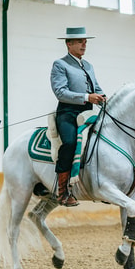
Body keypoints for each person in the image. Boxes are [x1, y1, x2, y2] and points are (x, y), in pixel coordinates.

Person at [50, 26, 106, 206]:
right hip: (68, 113)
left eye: (85, 41)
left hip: (88, 113)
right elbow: (60, 92)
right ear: (69, 44)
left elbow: (96, 88)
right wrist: (86, 97)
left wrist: (102, 97)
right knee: (70, 142)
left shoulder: (88, 65)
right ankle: (62, 191)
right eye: (80, 41)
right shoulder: (60, 64)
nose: (84, 44)